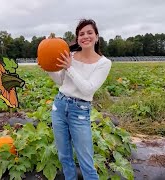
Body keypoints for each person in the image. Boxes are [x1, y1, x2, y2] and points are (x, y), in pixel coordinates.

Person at [47, 19, 112, 180]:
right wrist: (48, 69)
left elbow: (88, 88)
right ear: (77, 39)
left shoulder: (104, 63)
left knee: (86, 163)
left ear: (97, 37)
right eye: (81, 34)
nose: (85, 36)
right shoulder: (70, 56)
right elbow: (61, 81)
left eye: (89, 32)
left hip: (80, 112)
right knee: (64, 157)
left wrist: (69, 67)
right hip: (60, 106)